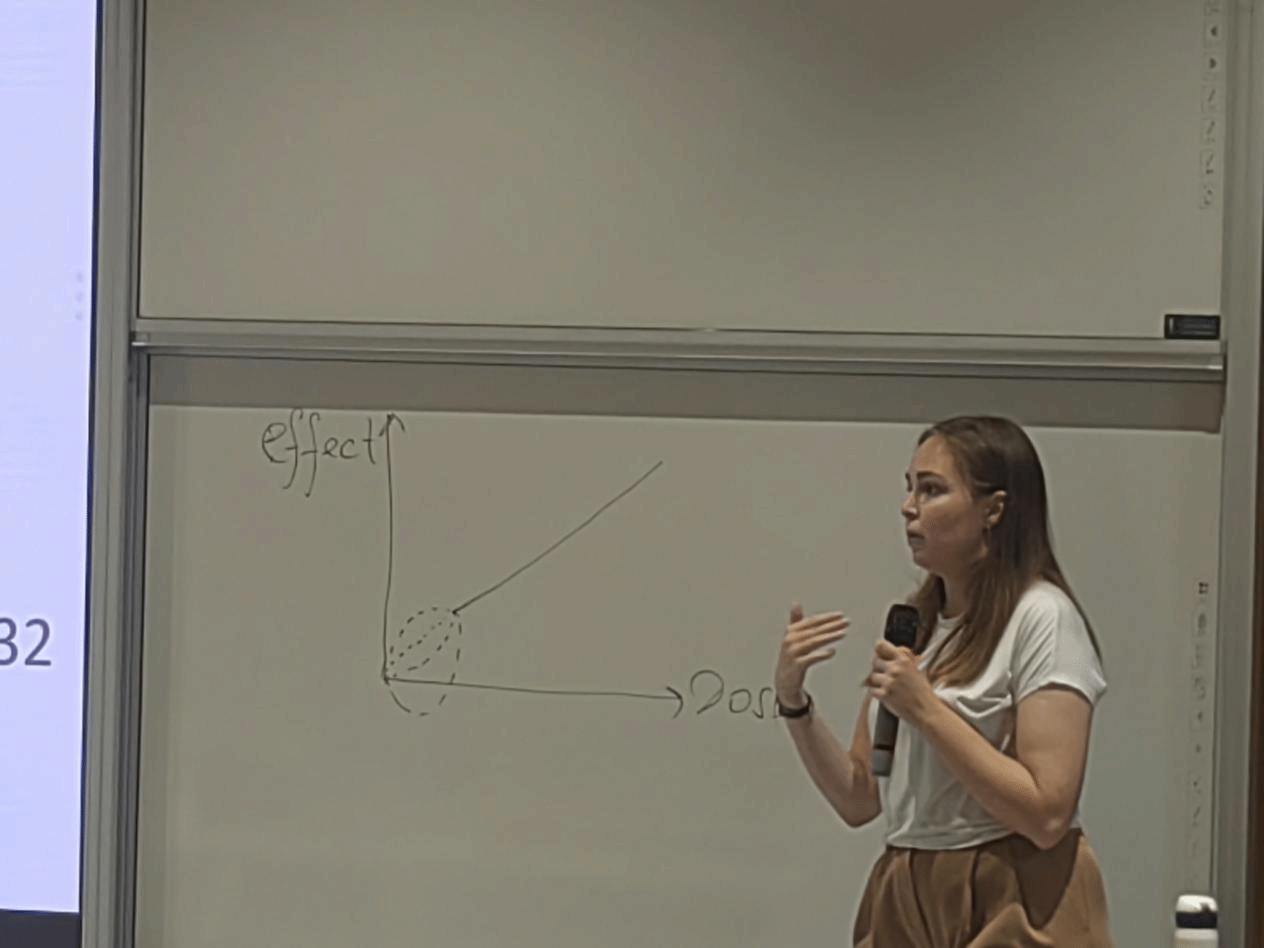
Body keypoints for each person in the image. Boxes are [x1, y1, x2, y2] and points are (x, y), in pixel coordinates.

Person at [774, 415, 1114, 947]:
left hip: (1013, 888)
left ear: (993, 510)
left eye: (932, 490)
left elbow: (1048, 812)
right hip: (906, 885)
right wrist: (794, 702)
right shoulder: (915, 627)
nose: (908, 507)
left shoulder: (1042, 617)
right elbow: (860, 798)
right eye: (910, 488)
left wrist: (927, 710)